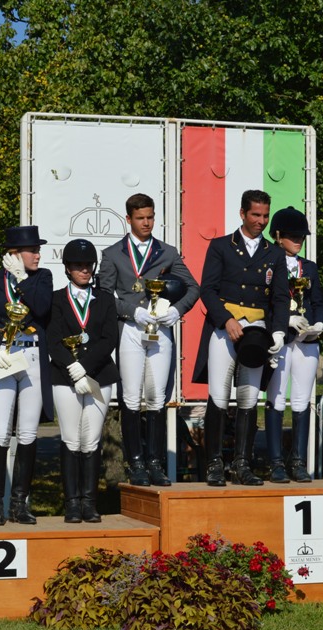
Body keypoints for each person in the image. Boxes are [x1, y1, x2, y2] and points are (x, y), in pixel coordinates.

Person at [98, 193, 199, 486]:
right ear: (128, 219)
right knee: (131, 397)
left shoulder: (167, 252)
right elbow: (103, 296)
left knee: (156, 398)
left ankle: (155, 462)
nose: (146, 223)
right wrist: (131, 311)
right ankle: (136, 463)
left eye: (150, 217)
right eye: (140, 218)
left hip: (160, 328)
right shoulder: (113, 254)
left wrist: (177, 310)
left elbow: (193, 287)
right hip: (131, 328)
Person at [192, 190, 291, 486]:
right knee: (219, 396)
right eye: (255, 215)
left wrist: (278, 330)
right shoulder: (221, 246)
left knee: (249, 397)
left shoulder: (275, 253)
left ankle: (242, 464)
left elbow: (280, 296)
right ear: (242, 214)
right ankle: (214, 464)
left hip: (257, 330)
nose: (261, 221)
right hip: (226, 329)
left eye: (265, 215)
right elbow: (207, 289)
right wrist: (226, 319)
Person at [0, 226, 53, 526]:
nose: (37, 255)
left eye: (37, 250)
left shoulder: (41, 278)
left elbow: (42, 309)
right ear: (14, 253)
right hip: (4, 358)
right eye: (32, 250)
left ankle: (21, 501)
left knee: (28, 433)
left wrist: (22, 279)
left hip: (31, 357)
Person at [48, 239, 119, 522]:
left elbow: (109, 339)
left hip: (99, 376)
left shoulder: (105, 299)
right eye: (78, 266)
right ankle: (72, 504)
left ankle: (89, 503)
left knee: (91, 440)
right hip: (64, 378)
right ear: (67, 268)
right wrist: (72, 369)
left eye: (88, 265)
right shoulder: (55, 300)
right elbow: (53, 340)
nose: (84, 270)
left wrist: (84, 367)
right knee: (71, 439)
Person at [263, 207, 323, 483]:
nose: (298, 240)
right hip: (281, 336)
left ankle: (298, 461)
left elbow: (317, 301)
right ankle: (275, 462)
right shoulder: (268, 263)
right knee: (276, 398)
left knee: (301, 400)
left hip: (306, 339)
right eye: (292, 236)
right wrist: (284, 319)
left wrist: (318, 323)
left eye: (301, 236)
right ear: (278, 236)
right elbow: (264, 302)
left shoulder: (308, 267)